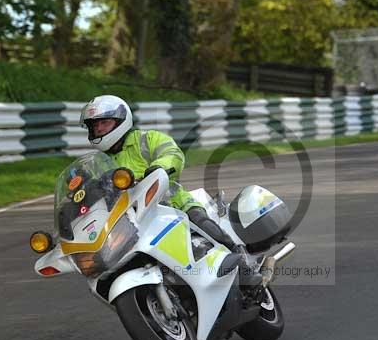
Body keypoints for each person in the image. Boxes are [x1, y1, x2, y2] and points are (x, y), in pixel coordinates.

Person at [79, 94, 262, 287]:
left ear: (120, 121)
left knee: (204, 225)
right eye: (94, 125)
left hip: (173, 206)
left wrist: (159, 166)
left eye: (104, 123)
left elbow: (173, 154)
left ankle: (245, 267)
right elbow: (83, 194)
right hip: (131, 224)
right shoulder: (96, 165)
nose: (98, 129)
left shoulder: (146, 139)